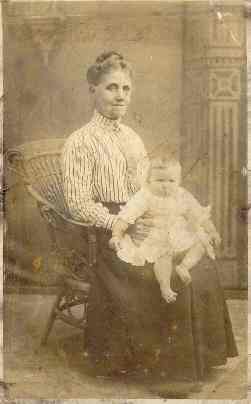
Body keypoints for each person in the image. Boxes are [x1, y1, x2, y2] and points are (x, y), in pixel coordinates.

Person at [62, 51, 238, 387]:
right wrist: (121, 222)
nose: (120, 95)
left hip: (145, 220)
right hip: (108, 233)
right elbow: (77, 204)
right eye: (111, 87)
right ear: (92, 90)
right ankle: (168, 368)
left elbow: (151, 190)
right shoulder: (80, 142)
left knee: (195, 263)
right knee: (166, 273)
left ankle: (200, 357)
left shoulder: (132, 137)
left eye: (126, 89)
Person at [110, 157, 221, 304]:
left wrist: (212, 231)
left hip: (180, 235)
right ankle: (165, 286)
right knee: (163, 256)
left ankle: (184, 266)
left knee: (200, 244)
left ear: (178, 181)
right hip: (157, 237)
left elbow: (198, 215)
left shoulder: (182, 195)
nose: (165, 186)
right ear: (149, 180)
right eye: (160, 181)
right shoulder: (145, 196)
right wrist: (116, 235)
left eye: (171, 181)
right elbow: (125, 217)